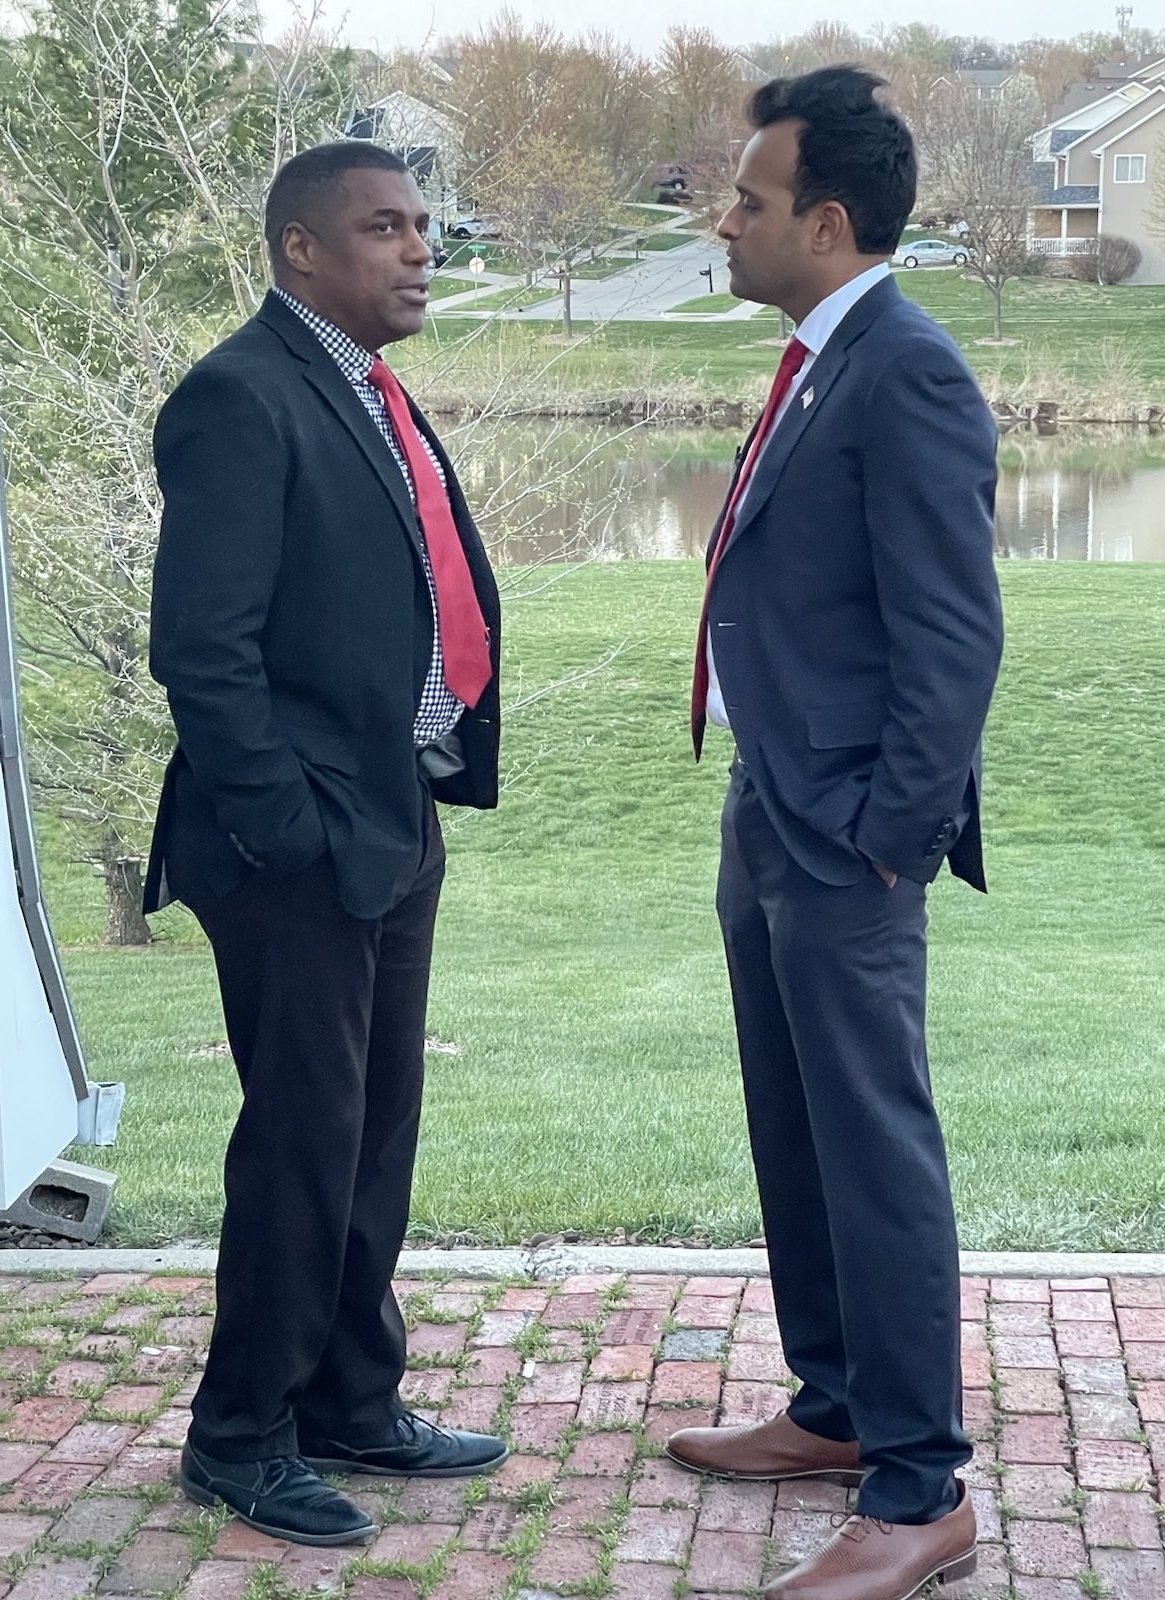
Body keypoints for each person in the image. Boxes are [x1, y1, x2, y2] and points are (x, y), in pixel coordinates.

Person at [667, 67, 1004, 1600]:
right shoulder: (821, 360)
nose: (724, 221)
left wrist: (889, 834)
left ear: (828, 220)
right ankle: (837, 1405)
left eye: (749, 199)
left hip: (847, 831)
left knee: (872, 1146)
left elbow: (954, 635)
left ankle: (921, 1490)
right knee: (794, 1127)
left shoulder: (905, 368)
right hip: (775, 805)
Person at [144, 142, 506, 1547]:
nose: (421, 251)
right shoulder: (241, 397)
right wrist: (285, 826)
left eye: (424, 226)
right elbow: (204, 650)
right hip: (295, 845)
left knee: (372, 1128)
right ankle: (239, 1434)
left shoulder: (365, 389)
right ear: (302, 248)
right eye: (386, 228)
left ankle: (354, 1397)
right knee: (303, 1142)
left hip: (393, 818)